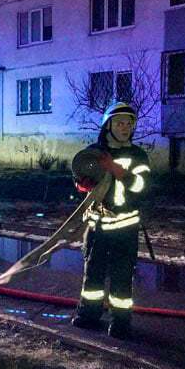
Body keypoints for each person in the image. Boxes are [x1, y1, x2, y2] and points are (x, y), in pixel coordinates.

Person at [71, 102, 151, 339]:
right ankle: (88, 316)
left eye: (129, 123)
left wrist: (118, 171)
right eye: (119, 123)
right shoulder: (94, 152)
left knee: (122, 276)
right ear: (108, 125)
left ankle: (120, 323)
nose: (124, 127)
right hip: (97, 227)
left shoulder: (138, 155)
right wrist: (83, 183)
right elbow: (82, 179)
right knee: (92, 274)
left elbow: (142, 187)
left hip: (125, 228)